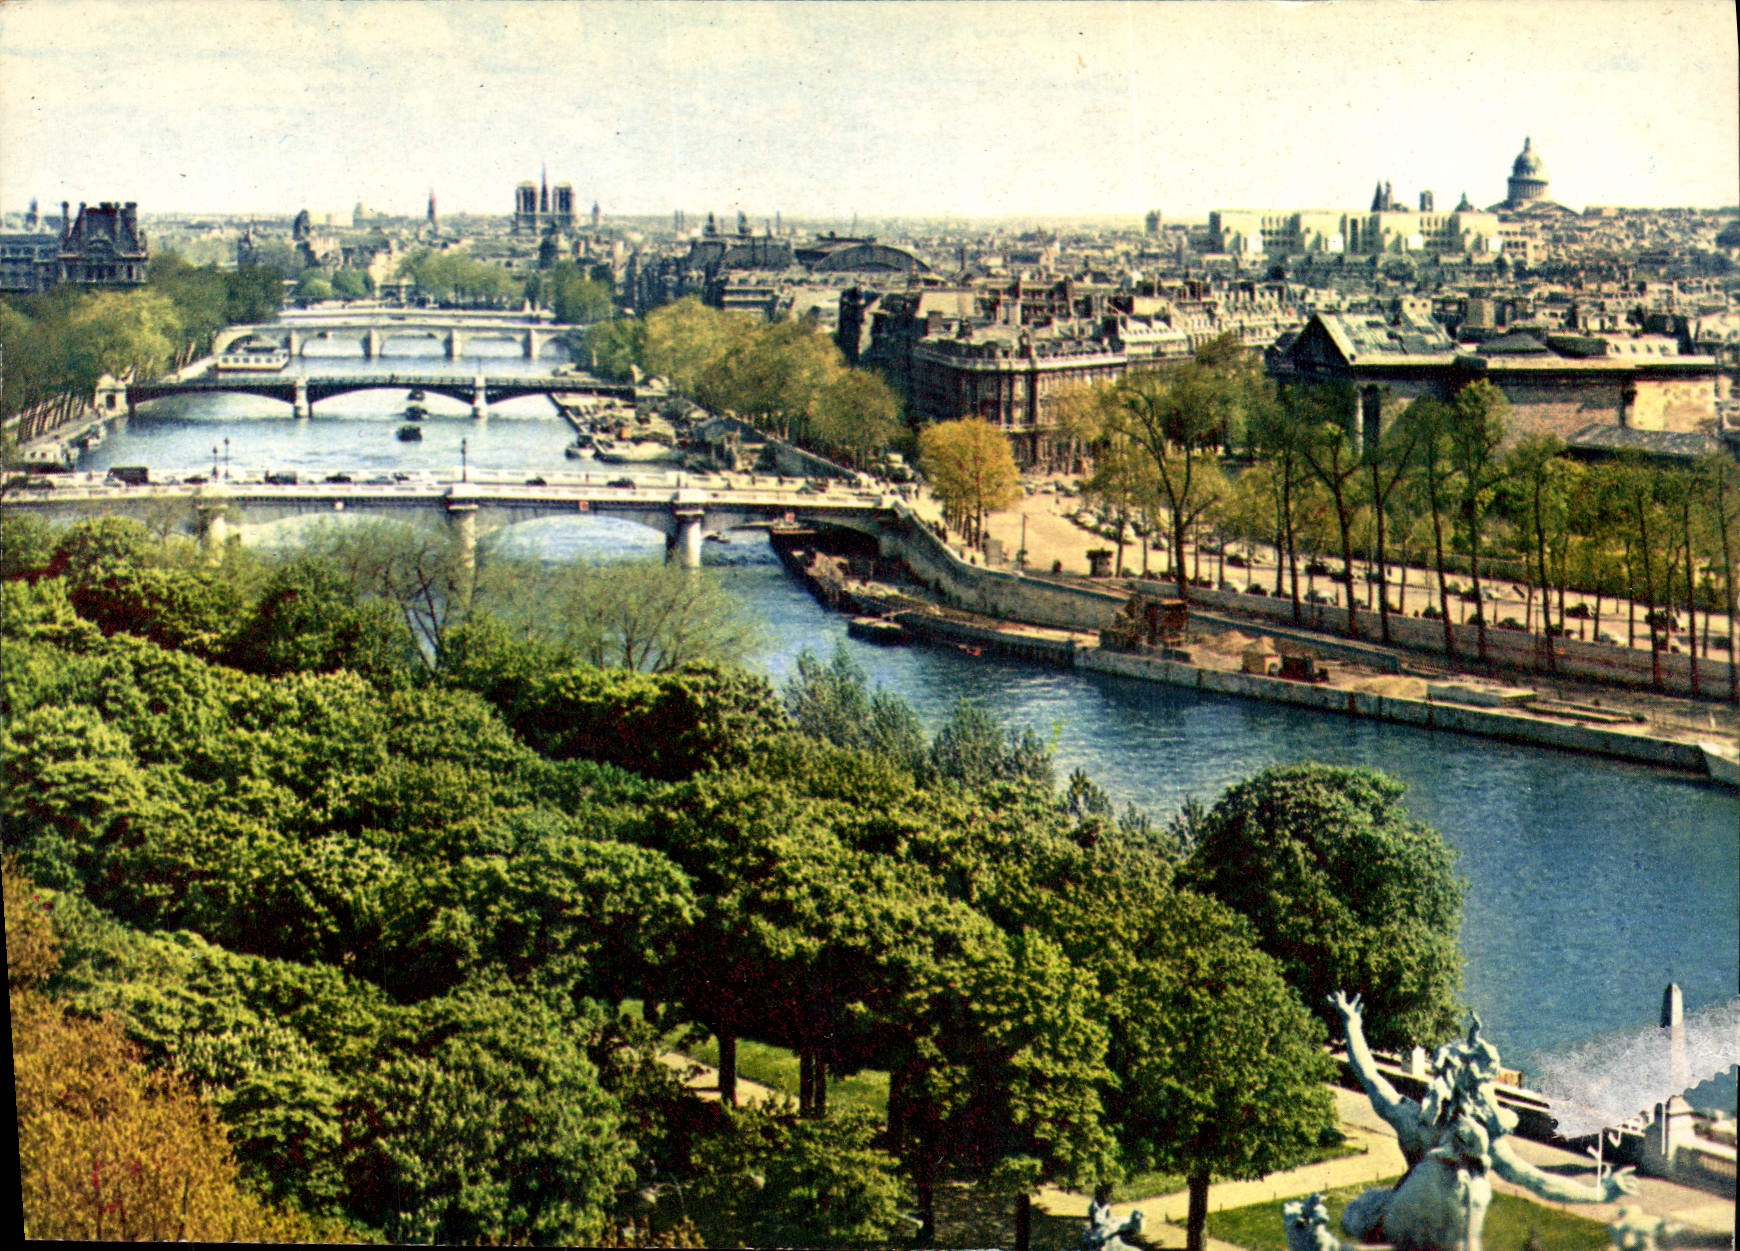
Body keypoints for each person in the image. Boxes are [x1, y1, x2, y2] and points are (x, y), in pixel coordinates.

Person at [1332, 991, 1634, 1249]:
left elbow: (1370, 1076)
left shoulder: (1412, 1119)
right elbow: (1537, 1181)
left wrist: (1352, 1025)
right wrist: (1599, 1193)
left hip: (1409, 1218)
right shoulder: (1480, 1141)